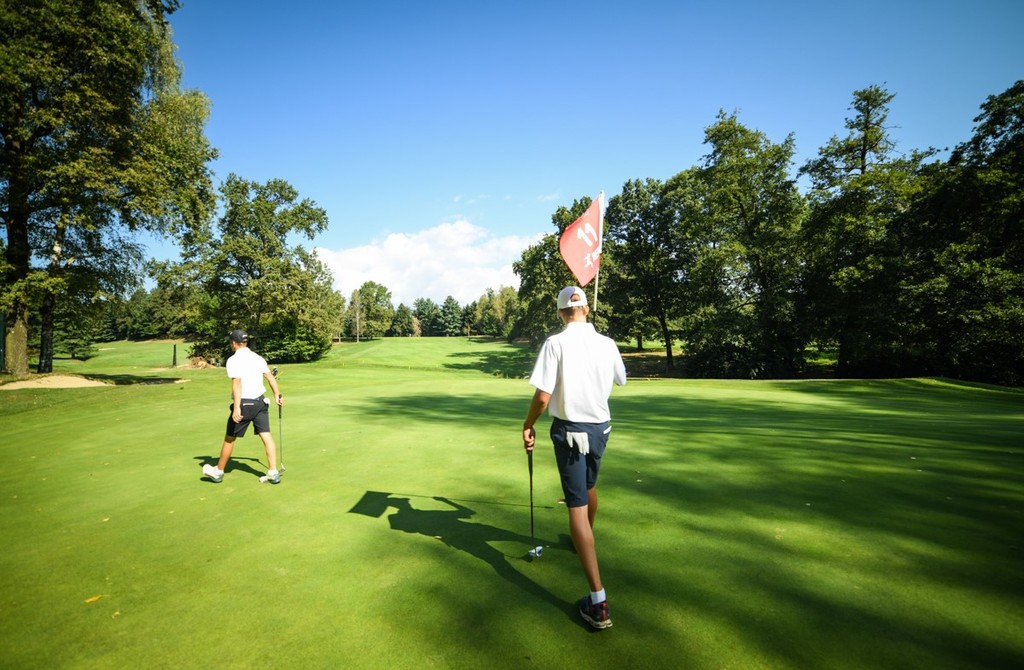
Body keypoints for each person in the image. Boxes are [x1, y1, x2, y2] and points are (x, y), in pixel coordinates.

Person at [521, 286, 626, 630]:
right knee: (590, 486)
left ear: (561, 312)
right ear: (586, 310)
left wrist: (528, 424)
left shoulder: (556, 343)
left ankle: (598, 603)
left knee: (576, 505)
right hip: (600, 430)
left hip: (570, 432)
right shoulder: (607, 343)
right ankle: (585, 541)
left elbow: (542, 396)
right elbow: (620, 380)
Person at [202, 329, 284, 484]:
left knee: (229, 439)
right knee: (266, 436)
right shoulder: (257, 358)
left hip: (244, 404)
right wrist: (277, 396)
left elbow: (237, 383)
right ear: (245, 342)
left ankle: (218, 472)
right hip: (260, 402)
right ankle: (273, 472)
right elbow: (270, 377)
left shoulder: (233, 360)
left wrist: (237, 407)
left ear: (233, 343)